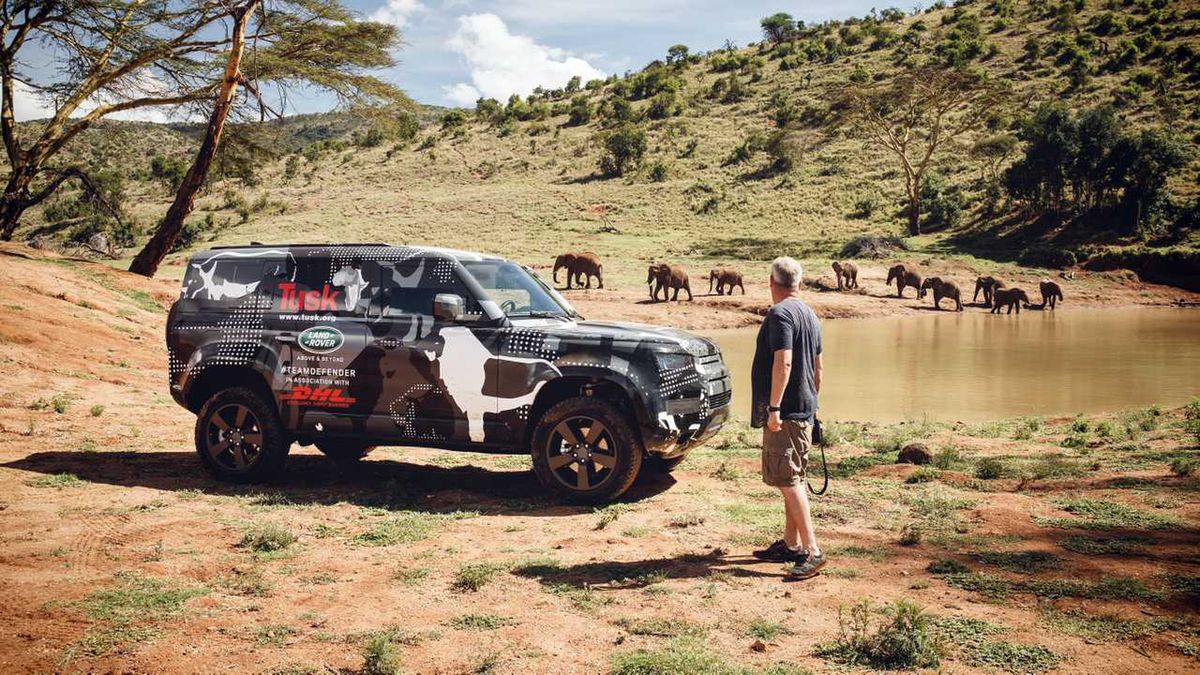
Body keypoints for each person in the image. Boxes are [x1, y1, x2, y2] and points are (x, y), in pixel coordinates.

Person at [749, 256, 825, 580]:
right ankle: (791, 545)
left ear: (771, 283)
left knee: (788, 480)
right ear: (799, 283)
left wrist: (775, 408)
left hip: (788, 410)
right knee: (791, 478)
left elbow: (785, 362)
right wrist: (814, 406)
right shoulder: (810, 314)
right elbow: (819, 370)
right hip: (805, 408)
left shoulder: (780, 314)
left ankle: (813, 551)